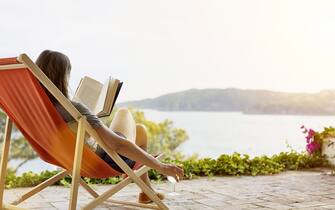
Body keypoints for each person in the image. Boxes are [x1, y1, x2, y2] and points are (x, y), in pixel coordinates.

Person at [35, 50, 184, 204]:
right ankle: (142, 185)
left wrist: (90, 124)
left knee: (139, 130)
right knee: (128, 117)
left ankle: (147, 191)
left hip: (65, 156)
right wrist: (160, 166)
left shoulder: (35, 108)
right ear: (64, 76)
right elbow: (117, 145)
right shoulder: (73, 107)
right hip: (102, 159)